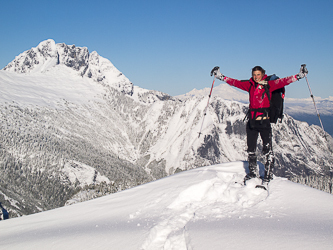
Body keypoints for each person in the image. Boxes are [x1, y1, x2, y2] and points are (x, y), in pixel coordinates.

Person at [210, 65, 308, 188]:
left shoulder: (270, 84)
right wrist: (221, 77)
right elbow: (235, 83)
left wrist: (299, 76)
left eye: (258, 75)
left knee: (267, 150)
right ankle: (253, 173)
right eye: (254, 75)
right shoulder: (250, 85)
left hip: (264, 122)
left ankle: (267, 176)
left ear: (263, 74)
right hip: (252, 122)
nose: (256, 77)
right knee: (251, 149)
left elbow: (284, 81)